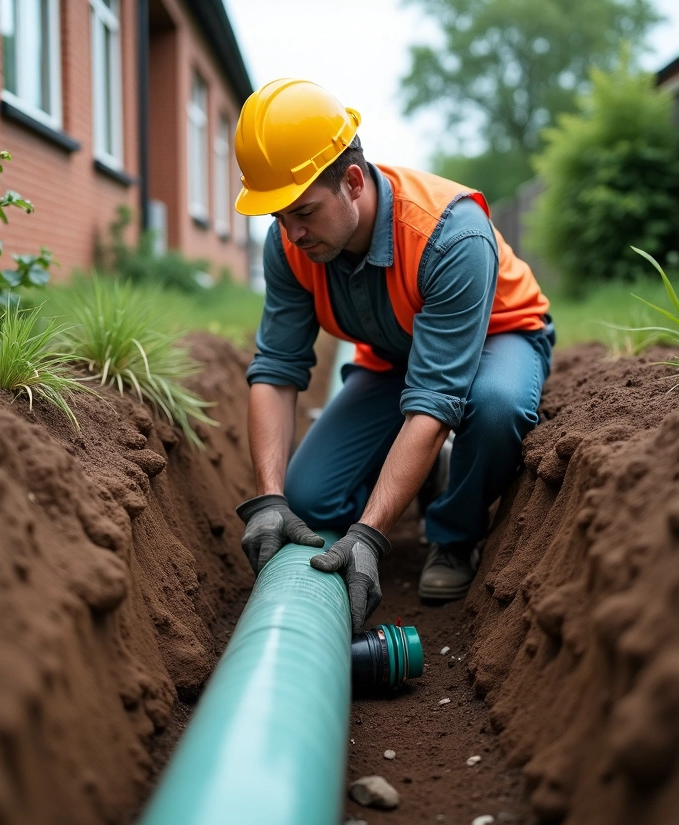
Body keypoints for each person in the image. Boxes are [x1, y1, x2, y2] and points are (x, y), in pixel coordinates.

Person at [232, 78, 554, 634]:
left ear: (352, 182)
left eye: (304, 211)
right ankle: (423, 473)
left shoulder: (449, 234)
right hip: (394, 353)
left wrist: (370, 536)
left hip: (498, 337)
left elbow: (434, 399)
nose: (292, 232)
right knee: (308, 497)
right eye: (278, 216)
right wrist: (269, 498)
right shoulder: (291, 242)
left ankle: (454, 537)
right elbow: (277, 371)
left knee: (496, 407)